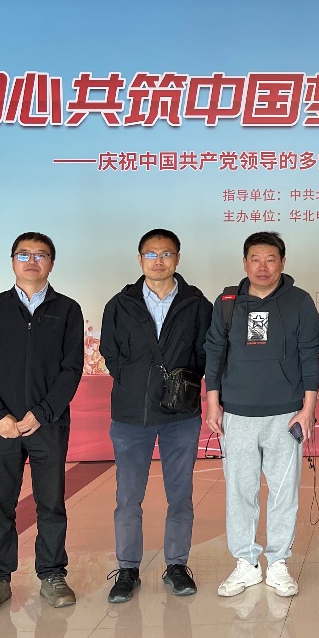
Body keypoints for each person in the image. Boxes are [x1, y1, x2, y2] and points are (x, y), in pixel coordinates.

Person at [0, 231, 84, 616]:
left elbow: (71, 369)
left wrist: (42, 413)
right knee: (0, 505)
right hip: (2, 426)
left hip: (47, 425)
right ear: (12, 260)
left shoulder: (67, 310)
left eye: (40, 255)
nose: (32, 261)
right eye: (24, 254)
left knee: (51, 503)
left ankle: (52, 575)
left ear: (52, 263)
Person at [99, 228, 213, 603]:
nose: (158, 261)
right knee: (128, 498)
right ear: (140, 259)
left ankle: (176, 565)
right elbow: (111, 353)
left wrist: (181, 385)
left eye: (166, 254)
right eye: (151, 254)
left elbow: (204, 353)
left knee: (180, 495)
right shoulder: (120, 304)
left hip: (181, 415)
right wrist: (136, 384)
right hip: (131, 416)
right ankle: (128, 569)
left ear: (177, 258)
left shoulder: (197, 304)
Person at [205, 231, 319, 599]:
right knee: (240, 492)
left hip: (286, 414)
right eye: (255, 259)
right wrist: (212, 403)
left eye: (271, 259)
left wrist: (308, 409)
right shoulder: (227, 302)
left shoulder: (300, 302)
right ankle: (246, 563)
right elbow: (214, 352)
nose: (263, 267)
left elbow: (309, 355)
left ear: (283, 263)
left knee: (284, 492)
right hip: (237, 414)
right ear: (245, 263)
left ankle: (279, 562)